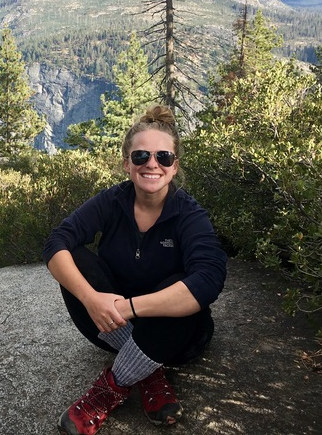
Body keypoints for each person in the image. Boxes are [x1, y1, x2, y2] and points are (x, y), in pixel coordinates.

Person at [42, 105, 227, 435]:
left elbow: (210, 278)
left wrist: (128, 308)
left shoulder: (188, 214)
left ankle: (107, 391)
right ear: (127, 163)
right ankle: (147, 371)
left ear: (174, 166)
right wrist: (91, 299)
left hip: (180, 339)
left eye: (163, 157)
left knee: (182, 285)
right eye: (141, 156)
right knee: (75, 258)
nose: (152, 164)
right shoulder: (112, 202)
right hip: (110, 323)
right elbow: (57, 242)